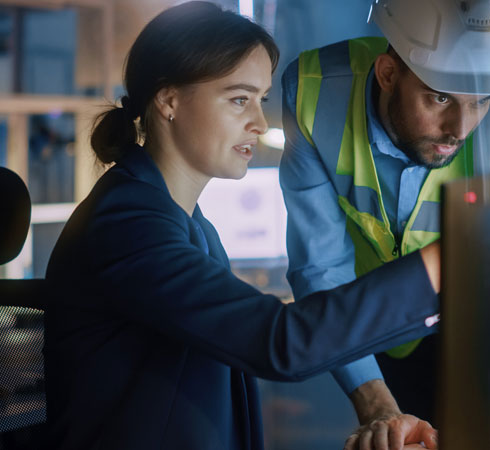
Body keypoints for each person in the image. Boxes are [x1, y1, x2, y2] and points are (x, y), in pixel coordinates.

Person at [42, 2, 443, 449]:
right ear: (169, 100)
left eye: (261, 100)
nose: (257, 123)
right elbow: (279, 342)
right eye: (238, 99)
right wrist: (438, 268)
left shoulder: (187, 223)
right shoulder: (128, 225)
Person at [279, 0, 490, 438]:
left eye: (481, 102)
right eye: (439, 97)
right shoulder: (313, 91)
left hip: (487, 332)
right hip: (362, 328)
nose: (461, 127)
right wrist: (375, 403)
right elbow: (320, 266)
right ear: (387, 74)